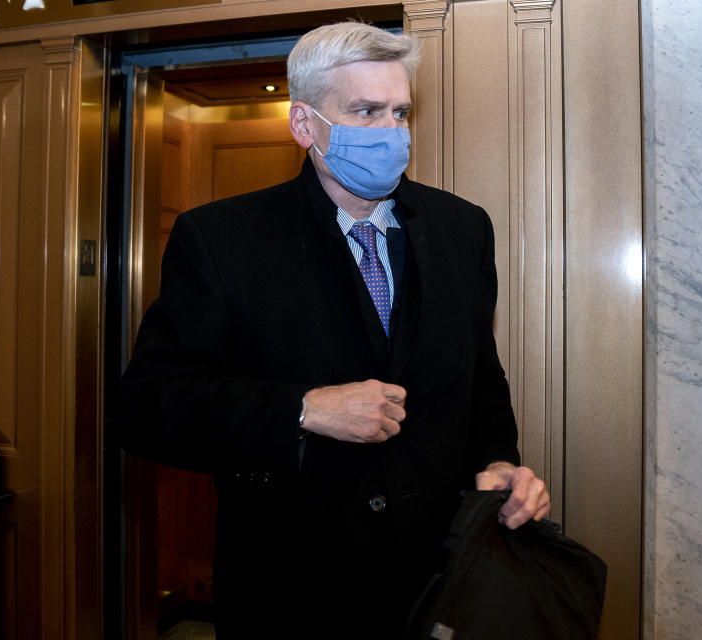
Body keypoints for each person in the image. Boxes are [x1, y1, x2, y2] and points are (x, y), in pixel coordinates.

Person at [116, 21, 551, 639]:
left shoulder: (463, 229)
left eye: (400, 111)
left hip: (441, 586)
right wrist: (301, 408)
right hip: (294, 593)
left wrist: (499, 463)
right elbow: (148, 408)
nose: (390, 132)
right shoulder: (221, 240)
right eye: (365, 111)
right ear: (305, 124)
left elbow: (480, 376)